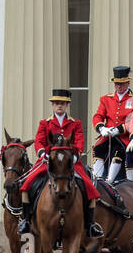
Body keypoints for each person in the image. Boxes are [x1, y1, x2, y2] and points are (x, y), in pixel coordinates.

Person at [16, 89, 104, 238]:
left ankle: (89, 225)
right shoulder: (45, 123)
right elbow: (39, 141)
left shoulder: (75, 123)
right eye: (56, 103)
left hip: (70, 162)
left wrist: (75, 156)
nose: (59, 106)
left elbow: (79, 141)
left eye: (62, 103)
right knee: (26, 186)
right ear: (52, 105)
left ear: (67, 105)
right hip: (48, 161)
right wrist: (42, 153)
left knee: (90, 188)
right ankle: (26, 220)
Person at [91, 65, 133, 183]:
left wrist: (118, 130)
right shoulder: (106, 99)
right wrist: (101, 128)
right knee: (98, 149)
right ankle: (96, 179)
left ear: (128, 83)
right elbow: (98, 116)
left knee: (117, 153)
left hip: (123, 138)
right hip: (107, 136)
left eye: (122, 83)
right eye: (117, 83)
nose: (119, 86)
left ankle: (109, 181)